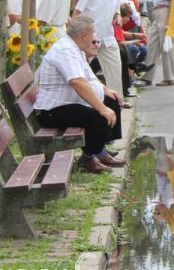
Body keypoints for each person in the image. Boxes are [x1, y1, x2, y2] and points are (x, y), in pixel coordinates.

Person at [34, 15, 126, 173]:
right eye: (93, 33)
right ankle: (88, 158)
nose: (94, 37)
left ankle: (100, 150)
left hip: (65, 104)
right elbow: (77, 82)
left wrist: (106, 90)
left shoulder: (76, 48)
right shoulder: (66, 50)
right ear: (84, 35)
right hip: (51, 110)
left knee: (112, 101)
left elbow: (89, 77)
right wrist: (101, 108)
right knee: (99, 117)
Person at [74, 0, 123, 94]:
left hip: (108, 37)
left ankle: (117, 101)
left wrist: (118, 17)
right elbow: (77, 12)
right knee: (81, 70)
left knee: (115, 70)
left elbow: (116, 11)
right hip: (89, 38)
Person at [142, 0, 174, 86]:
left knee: (165, 45)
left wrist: (168, 21)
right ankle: (147, 75)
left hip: (163, 11)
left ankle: (169, 77)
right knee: (153, 44)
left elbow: (171, 1)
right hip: (158, 12)